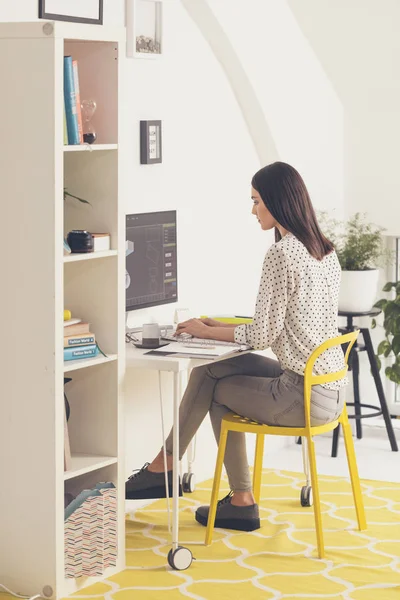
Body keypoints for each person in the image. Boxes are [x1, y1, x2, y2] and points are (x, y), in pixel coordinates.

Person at [126, 161, 346, 533]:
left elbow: (261, 336)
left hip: (301, 395)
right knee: (209, 370)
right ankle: (166, 467)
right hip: (328, 388)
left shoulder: (281, 254)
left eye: (257, 201)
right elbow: (277, 324)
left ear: (277, 201)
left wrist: (204, 331)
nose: (253, 210)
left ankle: (235, 498)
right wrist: (218, 326)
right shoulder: (322, 250)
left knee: (218, 392)